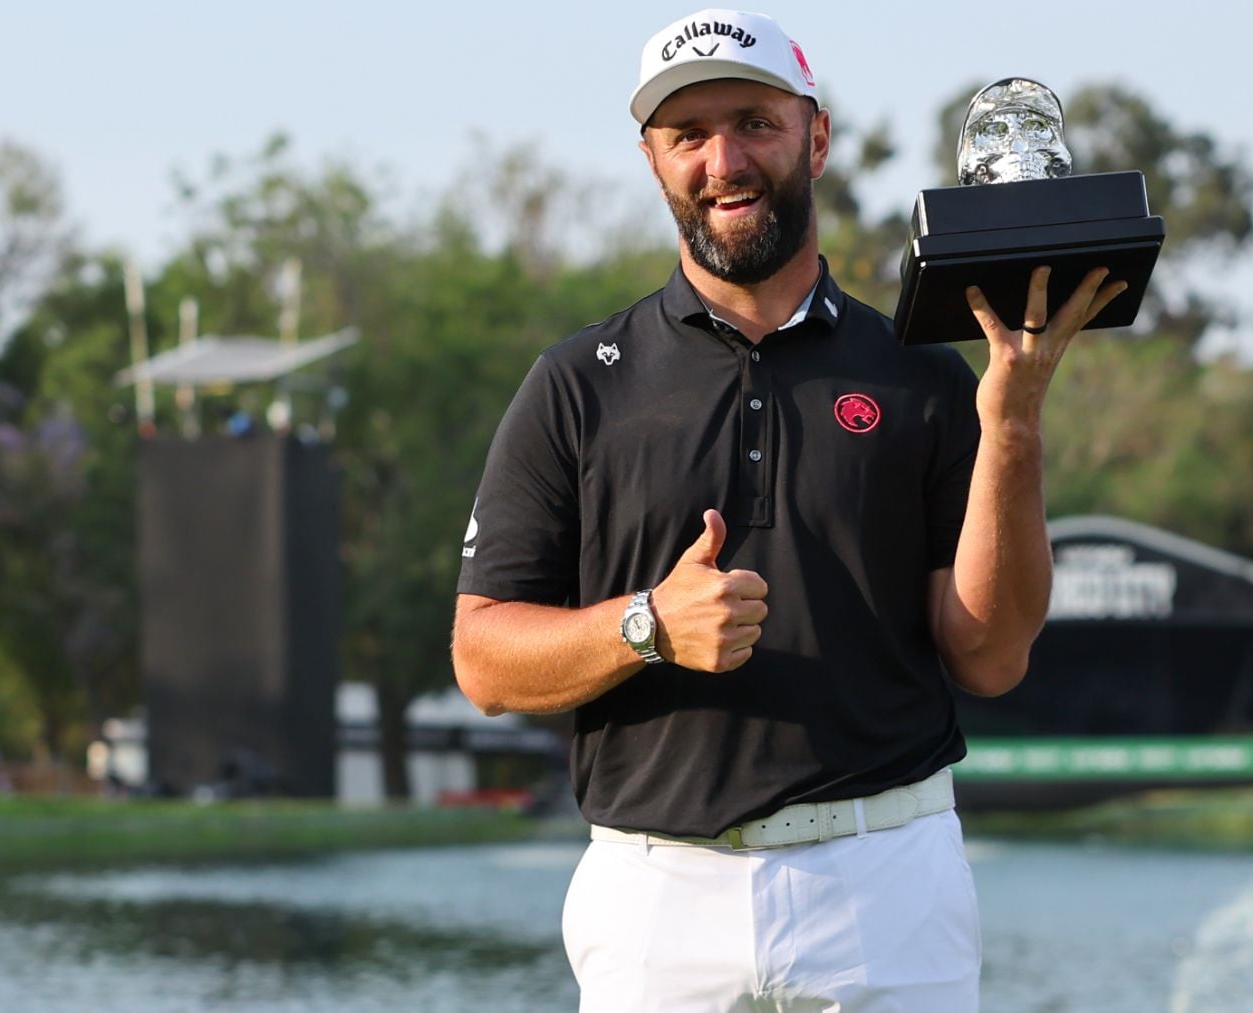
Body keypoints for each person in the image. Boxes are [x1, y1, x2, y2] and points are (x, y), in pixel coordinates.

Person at [451, 9, 1124, 1010]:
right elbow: (483, 659)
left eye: (754, 123)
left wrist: (1014, 421)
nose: (725, 159)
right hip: (654, 896)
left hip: (885, 874)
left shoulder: (921, 373)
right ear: (652, 159)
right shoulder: (578, 383)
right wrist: (648, 623)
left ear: (814, 135)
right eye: (689, 135)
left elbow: (991, 653)